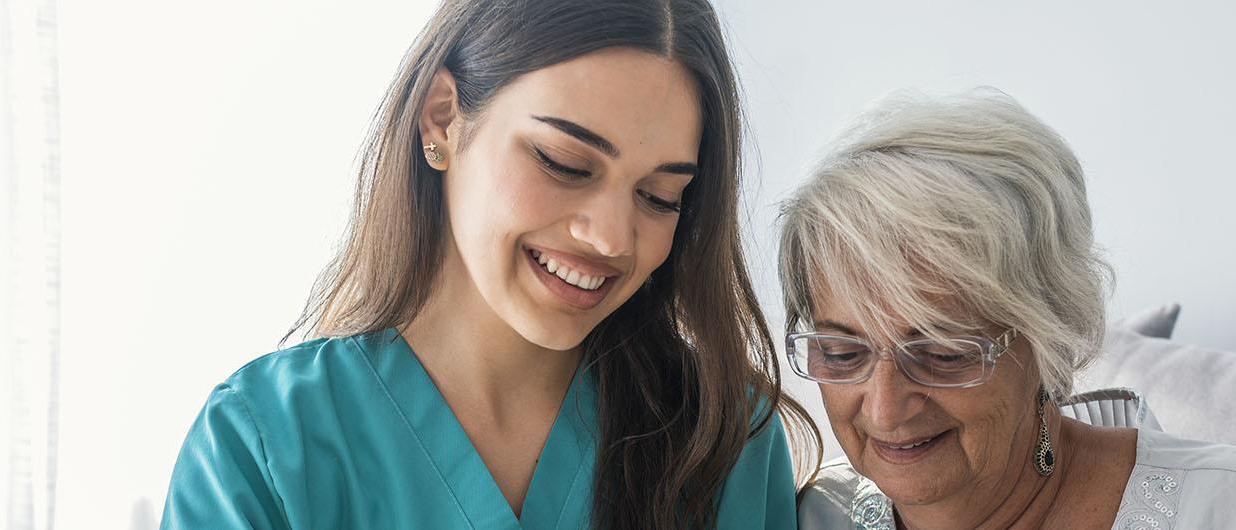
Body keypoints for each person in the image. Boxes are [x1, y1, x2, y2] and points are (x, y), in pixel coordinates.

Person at [160, 1, 817, 528]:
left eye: (659, 196)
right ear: (442, 118)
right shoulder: (264, 444)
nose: (612, 238)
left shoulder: (721, 441)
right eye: (564, 162)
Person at [781, 90, 1236, 529]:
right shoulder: (808, 516)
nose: (883, 410)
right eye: (841, 352)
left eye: (942, 353)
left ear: (1047, 337)